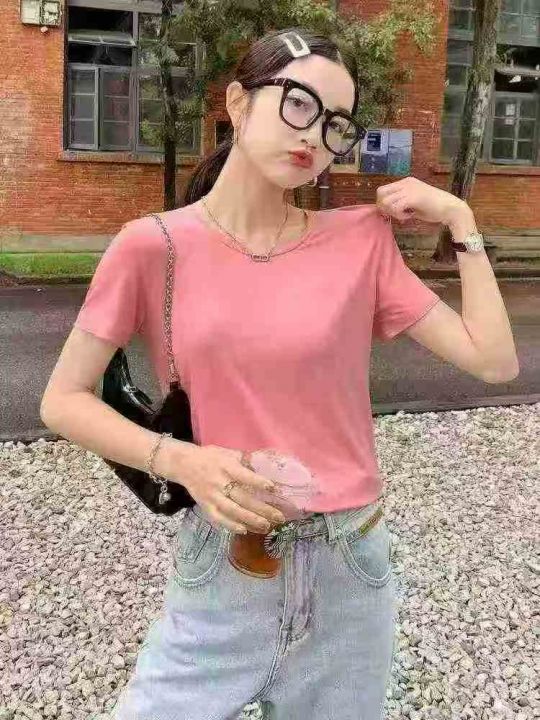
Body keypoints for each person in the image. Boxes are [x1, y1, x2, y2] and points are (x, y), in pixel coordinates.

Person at [40, 27, 444, 720]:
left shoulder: (354, 239)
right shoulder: (152, 246)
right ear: (236, 102)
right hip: (222, 561)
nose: (313, 134)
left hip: (350, 564)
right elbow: (62, 400)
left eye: (335, 123)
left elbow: (494, 362)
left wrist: (460, 225)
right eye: (298, 103)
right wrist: (183, 461)